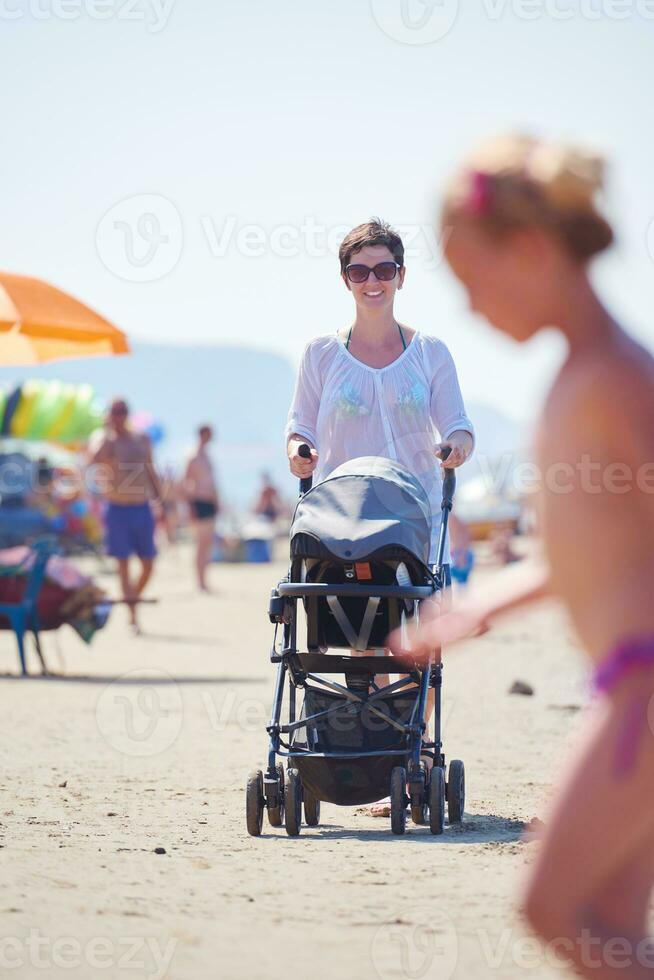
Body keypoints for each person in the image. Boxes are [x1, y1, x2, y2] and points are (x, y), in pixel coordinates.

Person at [390, 136, 654, 978]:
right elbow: (596, 551)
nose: (468, 307)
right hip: (624, 679)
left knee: (554, 907)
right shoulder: (582, 376)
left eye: (473, 280)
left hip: (645, 689)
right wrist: (482, 608)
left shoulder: (614, 381)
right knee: (609, 917)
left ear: (533, 250)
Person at [286, 217, 475, 813]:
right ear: (346, 279)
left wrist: (457, 448)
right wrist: (299, 453)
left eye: (385, 270)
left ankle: (411, 755)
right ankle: (362, 756)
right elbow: (299, 428)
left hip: (414, 525)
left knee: (419, 643)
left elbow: (460, 427)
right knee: (360, 645)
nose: (374, 281)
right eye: (361, 270)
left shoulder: (430, 353)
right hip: (342, 526)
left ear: (402, 276)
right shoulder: (321, 353)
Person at [90, 398, 161, 634]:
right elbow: (94, 460)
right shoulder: (105, 439)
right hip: (117, 508)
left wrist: (160, 500)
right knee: (122, 565)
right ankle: (133, 616)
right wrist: (109, 433)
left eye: (122, 412)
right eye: (115, 412)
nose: (119, 416)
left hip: (141, 507)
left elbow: (151, 469)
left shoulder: (142, 438)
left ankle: (131, 597)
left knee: (148, 563)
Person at [184, 425, 220, 592]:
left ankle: (204, 579)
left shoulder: (206, 455)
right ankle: (199, 581)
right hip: (199, 502)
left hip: (210, 502)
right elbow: (186, 481)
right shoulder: (194, 456)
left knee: (207, 543)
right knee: (201, 543)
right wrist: (190, 506)